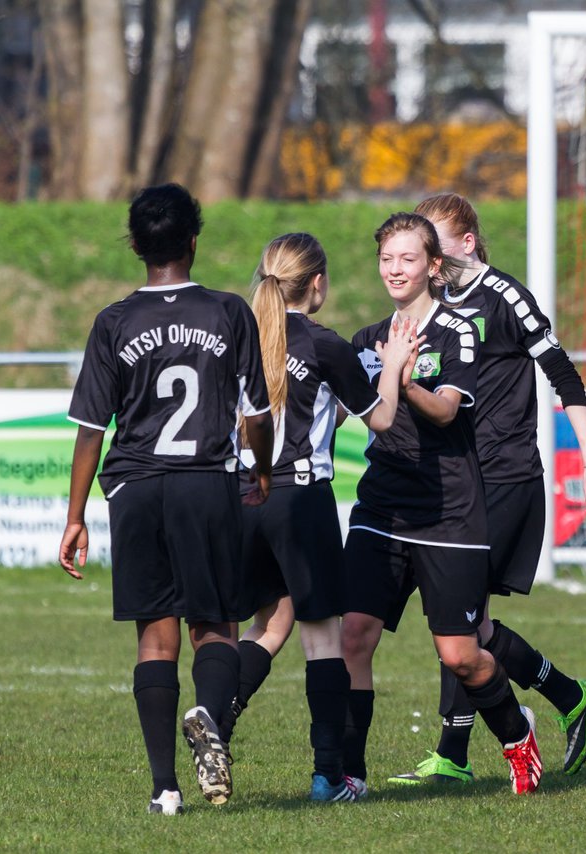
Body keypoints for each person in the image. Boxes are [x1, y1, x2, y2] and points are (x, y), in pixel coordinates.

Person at [382, 192, 586, 788]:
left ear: (464, 244)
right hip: (456, 478)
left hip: (506, 474)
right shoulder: (427, 307)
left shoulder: (504, 296)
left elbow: (563, 373)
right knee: (466, 621)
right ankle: (568, 695)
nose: (421, 257)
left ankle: (456, 753)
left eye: (431, 244)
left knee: (460, 617)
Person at [58, 183, 274, 815]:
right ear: (194, 240)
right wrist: (260, 469)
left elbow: (90, 432)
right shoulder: (228, 312)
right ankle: (207, 713)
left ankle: (166, 789)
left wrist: (75, 518)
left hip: (136, 488)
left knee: (155, 638)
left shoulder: (114, 322)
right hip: (206, 483)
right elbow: (256, 414)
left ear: (136, 246)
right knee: (216, 626)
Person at [341, 212, 543, 795]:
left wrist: (403, 380)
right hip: (381, 510)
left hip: (449, 513)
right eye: (386, 259)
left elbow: (449, 410)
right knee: (354, 638)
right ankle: (350, 773)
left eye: (406, 259)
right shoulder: (367, 340)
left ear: (433, 267)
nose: (394, 269)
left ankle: (516, 738)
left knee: (460, 655)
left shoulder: (458, 331)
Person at [215, 232, 418, 803]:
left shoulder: (236, 338)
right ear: (318, 283)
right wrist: (395, 365)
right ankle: (329, 776)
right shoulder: (325, 344)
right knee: (322, 638)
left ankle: (216, 720)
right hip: (299, 499)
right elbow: (380, 419)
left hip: (239, 497)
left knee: (269, 622)